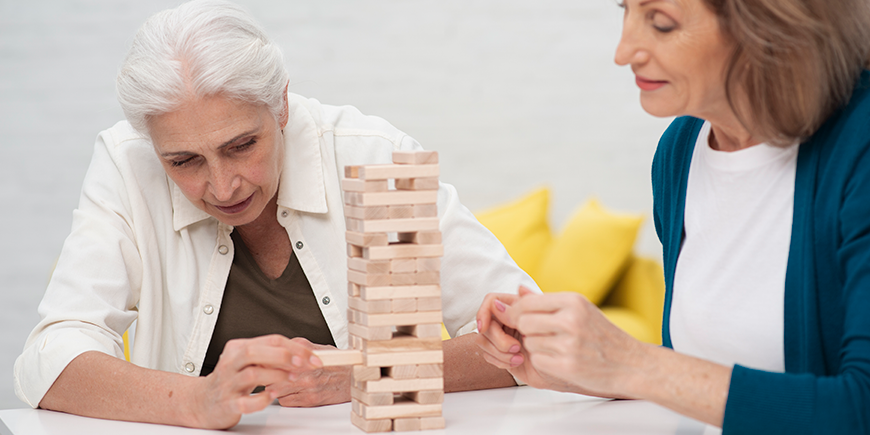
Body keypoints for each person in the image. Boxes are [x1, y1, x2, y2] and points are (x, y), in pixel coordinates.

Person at [13, 0, 536, 429]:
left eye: (241, 145)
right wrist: (199, 400)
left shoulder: (372, 157)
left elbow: (525, 337)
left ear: (281, 106)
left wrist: (365, 374)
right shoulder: (127, 164)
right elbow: (50, 358)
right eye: (184, 161)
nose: (222, 186)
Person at [475, 0, 870, 433]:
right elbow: (707, 371)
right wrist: (582, 365)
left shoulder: (858, 147)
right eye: (625, 10)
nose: (623, 52)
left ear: (765, 27)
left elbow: (858, 408)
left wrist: (632, 363)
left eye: (661, 24)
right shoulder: (680, 151)